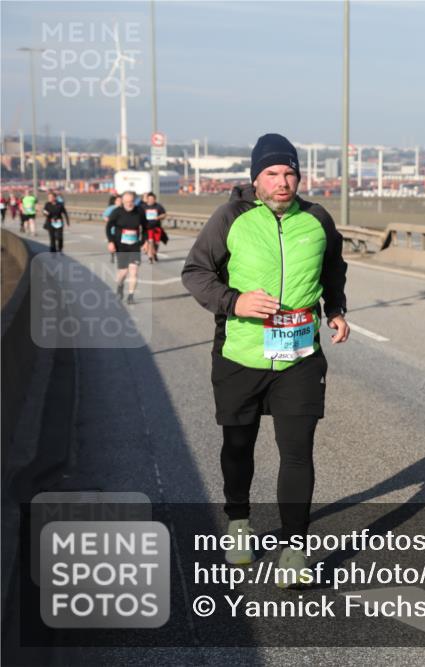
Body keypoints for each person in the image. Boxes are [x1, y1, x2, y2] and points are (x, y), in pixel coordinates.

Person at [182, 133, 349, 587]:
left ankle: (294, 550)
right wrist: (233, 301)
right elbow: (195, 272)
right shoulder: (230, 217)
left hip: (299, 356)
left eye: (290, 172)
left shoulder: (316, 219)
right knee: (239, 446)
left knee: (297, 453)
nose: (283, 181)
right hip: (241, 353)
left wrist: (335, 308)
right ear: (256, 178)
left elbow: (334, 268)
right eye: (273, 173)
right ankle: (238, 521)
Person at [105, 191, 148, 305]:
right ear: (123, 201)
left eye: (131, 202)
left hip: (134, 245)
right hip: (121, 245)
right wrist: (111, 242)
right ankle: (120, 285)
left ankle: (131, 296)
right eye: (127, 202)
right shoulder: (117, 212)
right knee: (123, 272)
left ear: (134, 201)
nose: (129, 204)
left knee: (134, 271)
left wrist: (145, 242)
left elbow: (145, 227)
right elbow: (108, 227)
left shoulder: (140, 211)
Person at [141, 192, 167, 263]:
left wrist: (158, 217)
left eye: (152, 199)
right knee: (150, 241)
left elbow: (164, 214)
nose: (151, 200)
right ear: (147, 199)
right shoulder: (143, 207)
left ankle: (154, 253)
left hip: (157, 227)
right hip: (148, 227)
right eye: (149, 199)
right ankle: (150, 257)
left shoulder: (158, 206)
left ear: (155, 199)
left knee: (157, 243)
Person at [103, 194, 122, 263]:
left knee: (120, 244)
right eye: (118, 200)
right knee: (113, 244)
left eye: (120, 200)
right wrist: (110, 222)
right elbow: (105, 216)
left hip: (120, 231)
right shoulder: (111, 208)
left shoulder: (124, 209)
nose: (119, 202)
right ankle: (112, 255)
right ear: (115, 201)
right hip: (112, 230)